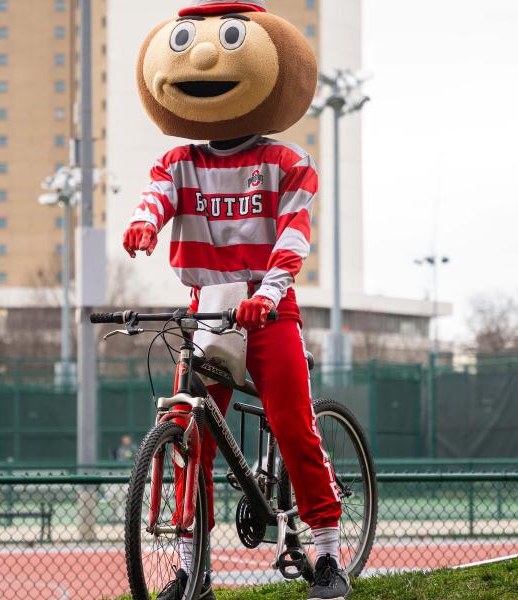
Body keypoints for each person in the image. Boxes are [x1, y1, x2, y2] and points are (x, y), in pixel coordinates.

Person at [125, 2, 349, 598]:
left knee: (293, 425)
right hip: (206, 310)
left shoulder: (287, 162)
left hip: (268, 308)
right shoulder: (180, 161)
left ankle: (326, 552)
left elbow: (294, 235)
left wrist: (268, 293)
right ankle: (190, 567)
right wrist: (144, 224)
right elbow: (155, 195)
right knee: (187, 433)